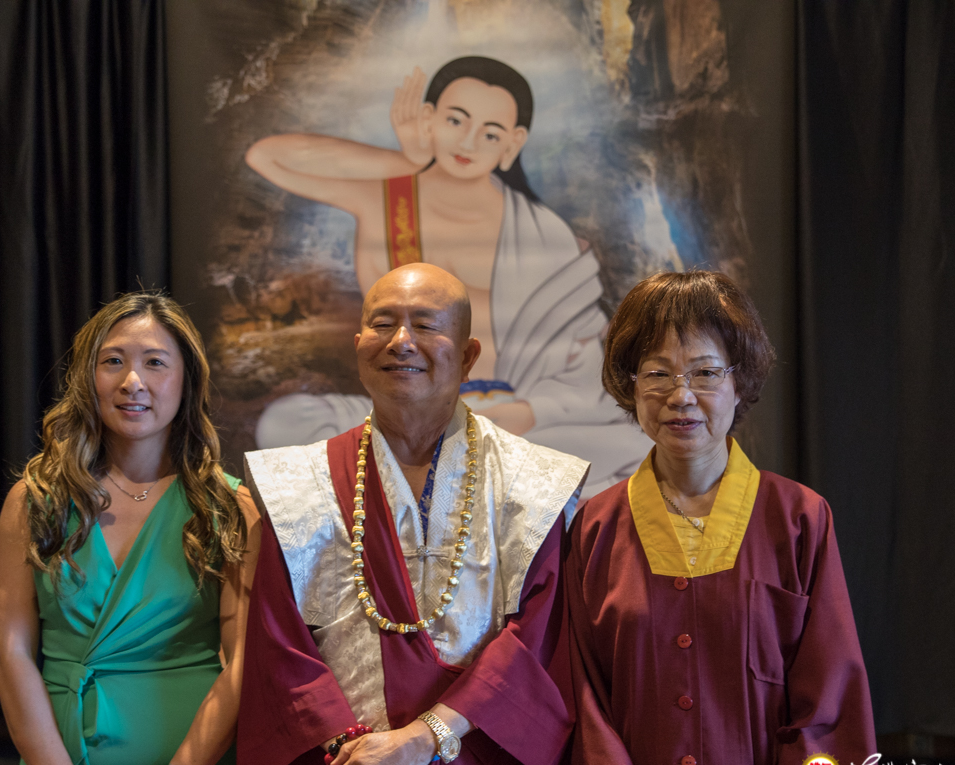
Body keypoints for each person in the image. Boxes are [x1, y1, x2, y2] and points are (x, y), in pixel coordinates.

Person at [232, 262, 589, 765]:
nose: (401, 341)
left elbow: (538, 635)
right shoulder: (300, 483)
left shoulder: (532, 483)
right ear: (358, 346)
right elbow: (280, 643)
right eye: (383, 324)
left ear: (468, 355)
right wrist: (361, 759)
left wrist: (423, 740)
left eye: (425, 325)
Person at [550, 271, 885, 765]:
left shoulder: (798, 520)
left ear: (740, 381)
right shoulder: (596, 529)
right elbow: (583, 706)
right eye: (657, 373)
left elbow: (832, 710)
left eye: (705, 372)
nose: (681, 396)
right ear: (631, 386)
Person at [245, 56, 652, 495]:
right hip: (403, 415)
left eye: (490, 133)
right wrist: (406, 159)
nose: (469, 141)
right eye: (455, 120)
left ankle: (439, 470)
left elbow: (584, 363)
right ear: (428, 119)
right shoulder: (387, 200)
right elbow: (267, 157)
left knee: (632, 443)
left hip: (516, 419)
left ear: (512, 144)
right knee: (284, 423)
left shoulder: (543, 232)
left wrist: (527, 412)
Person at [0, 293, 259, 765]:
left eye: (155, 362)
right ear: (87, 379)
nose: (132, 381)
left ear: (186, 381)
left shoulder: (230, 508)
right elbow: (9, 654)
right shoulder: (34, 502)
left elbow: (244, 665)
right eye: (112, 361)